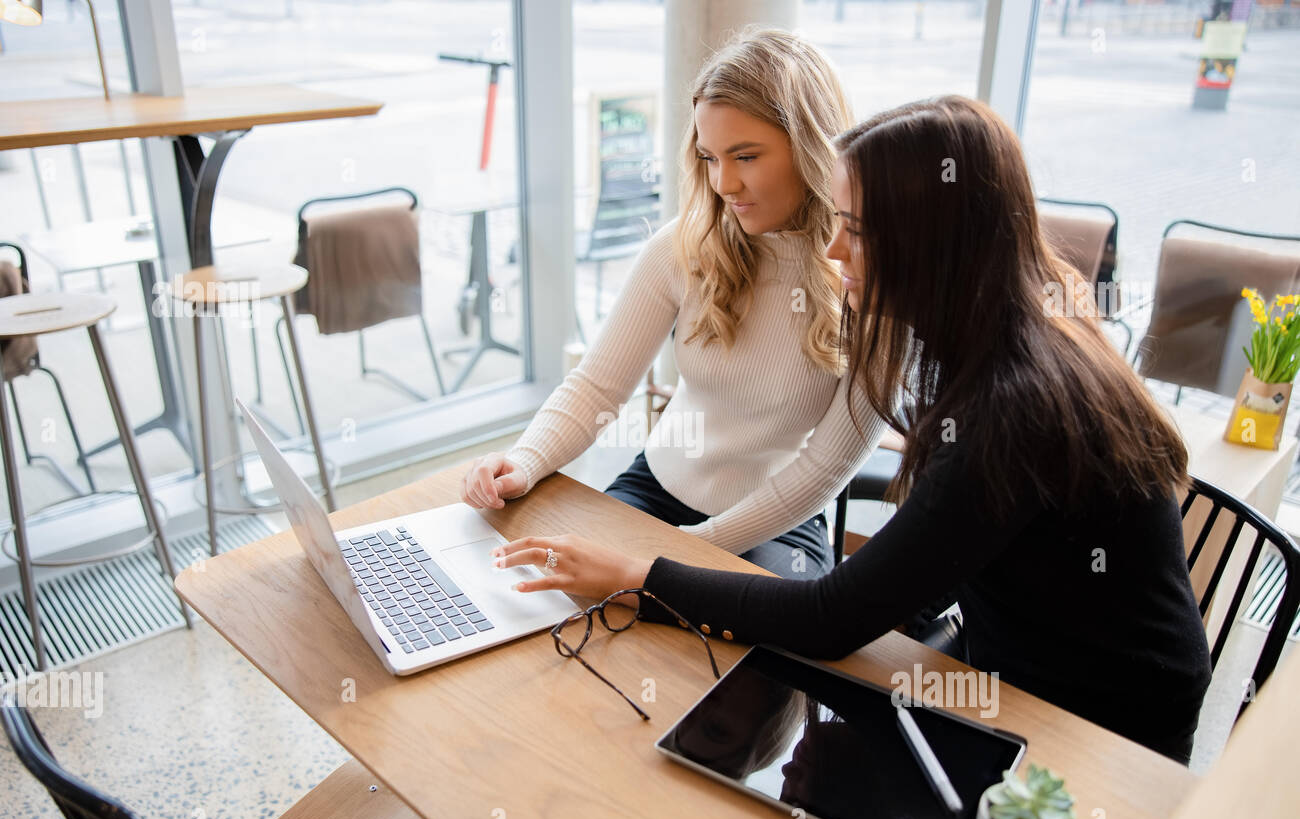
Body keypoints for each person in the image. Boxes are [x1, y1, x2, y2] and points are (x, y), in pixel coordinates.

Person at [491, 95, 1213, 766]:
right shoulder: (1008, 335)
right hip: (1009, 654)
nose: (834, 252)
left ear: (935, 246)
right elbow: (927, 562)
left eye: (859, 232)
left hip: (1100, 728)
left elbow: (832, 618)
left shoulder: (1012, 409)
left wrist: (638, 575)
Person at [460, 28, 886, 580]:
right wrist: (523, 460)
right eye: (710, 157)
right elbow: (597, 387)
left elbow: (825, 468)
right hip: (657, 487)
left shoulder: (869, 279)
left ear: (812, 149)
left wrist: (672, 558)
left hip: (779, 518)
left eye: (746, 156)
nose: (725, 183)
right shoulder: (682, 247)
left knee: (746, 657)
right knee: (554, 599)